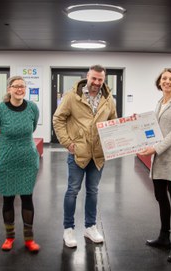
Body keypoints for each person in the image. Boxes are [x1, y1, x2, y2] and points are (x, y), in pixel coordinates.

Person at [53, 64, 117, 248]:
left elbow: (113, 122)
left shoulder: (108, 99)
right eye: (93, 78)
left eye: (100, 79)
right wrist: (67, 143)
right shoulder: (72, 96)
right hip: (78, 152)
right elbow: (58, 119)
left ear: (103, 80)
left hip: (98, 154)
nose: (96, 82)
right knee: (72, 190)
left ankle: (90, 227)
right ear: (87, 77)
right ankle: (68, 229)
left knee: (93, 191)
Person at [137, 68, 171, 262]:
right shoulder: (160, 103)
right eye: (164, 78)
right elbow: (154, 129)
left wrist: (154, 149)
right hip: (158, 158)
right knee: (160, 197)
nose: (167, 81)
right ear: (159, 82)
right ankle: (164, 237)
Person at [0, 75, 40, 253]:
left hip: (27, 160)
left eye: (22, 86)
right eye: (16, 86)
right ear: (9, 88)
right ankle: (9, 238)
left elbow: (31, 129)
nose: (20, 89)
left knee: (27, 198)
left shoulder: (32, 107)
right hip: (6, 160)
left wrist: (20, 142)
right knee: (8, 198)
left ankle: (29, 239)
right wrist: (6, 144)